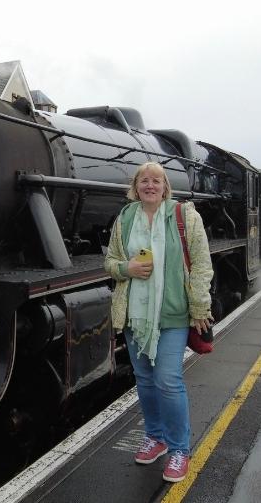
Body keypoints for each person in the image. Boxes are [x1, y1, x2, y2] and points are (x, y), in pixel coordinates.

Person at [104, 162, 213, 483]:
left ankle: (180, 450)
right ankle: (156, 437)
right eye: (144, 181)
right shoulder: (125, 219)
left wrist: (200, 306)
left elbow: (203, 264)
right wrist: (128, 268)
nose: (150, 186)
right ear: (136, 187)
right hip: (136, 316)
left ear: (165, 187)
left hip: (174, 313)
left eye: (156, 181)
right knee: (145, 380)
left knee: (168, 381)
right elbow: (109, 262)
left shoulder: (184, 216)